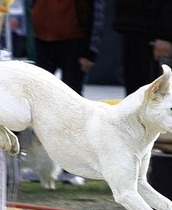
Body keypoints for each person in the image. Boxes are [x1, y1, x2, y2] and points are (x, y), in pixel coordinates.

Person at [29, 0, 105, 185]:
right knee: (40, 107)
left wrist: (90, 51)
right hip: (44, 37)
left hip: (74, 40)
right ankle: (41, 167)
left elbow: (97, 11)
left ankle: (72, 168)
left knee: (73, 110)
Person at [112, 0, 172, 95]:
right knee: (134, 89)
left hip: (152, 32)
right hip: (131, 26)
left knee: (152, 90)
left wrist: (166, 36)